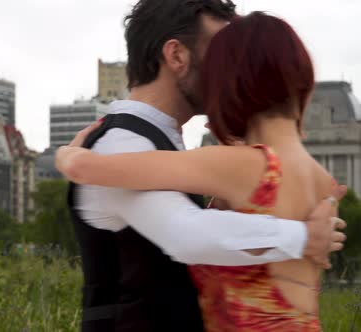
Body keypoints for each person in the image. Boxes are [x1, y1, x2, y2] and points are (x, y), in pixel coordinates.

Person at [61, 1, 347, 331]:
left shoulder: (208, 155)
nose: (226, 68)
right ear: (177, 56)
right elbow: (187, 234)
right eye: (220, 53)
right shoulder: (120, 143)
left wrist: (70, 158)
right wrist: (303, 235)